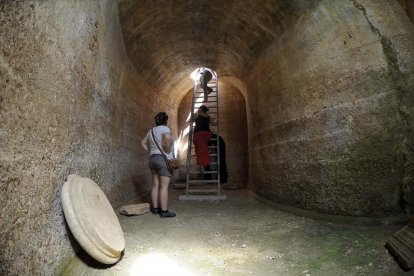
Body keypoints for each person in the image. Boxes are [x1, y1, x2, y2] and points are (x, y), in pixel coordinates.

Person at [140, 112, 176, 218]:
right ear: (166, 120)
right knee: (164, 187)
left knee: (155, 185)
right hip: (162, 159)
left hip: (153, 159)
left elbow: (142, 142)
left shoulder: (151, 131)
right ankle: (164, 211)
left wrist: (150, 151)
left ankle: (155, 209)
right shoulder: (165, 129)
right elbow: (168, 139)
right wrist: (167, 150)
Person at [190, 105, 216, 172]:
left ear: (201, 109)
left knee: (200, 150)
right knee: (202, 149)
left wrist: (192, 115)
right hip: (207, 134)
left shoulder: (196, 115)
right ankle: (203, 165)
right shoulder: (208, 116)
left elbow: (191, 121)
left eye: (199, 108)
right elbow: (214, 124)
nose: (198, 109)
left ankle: (202, 165)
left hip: (199, 134)